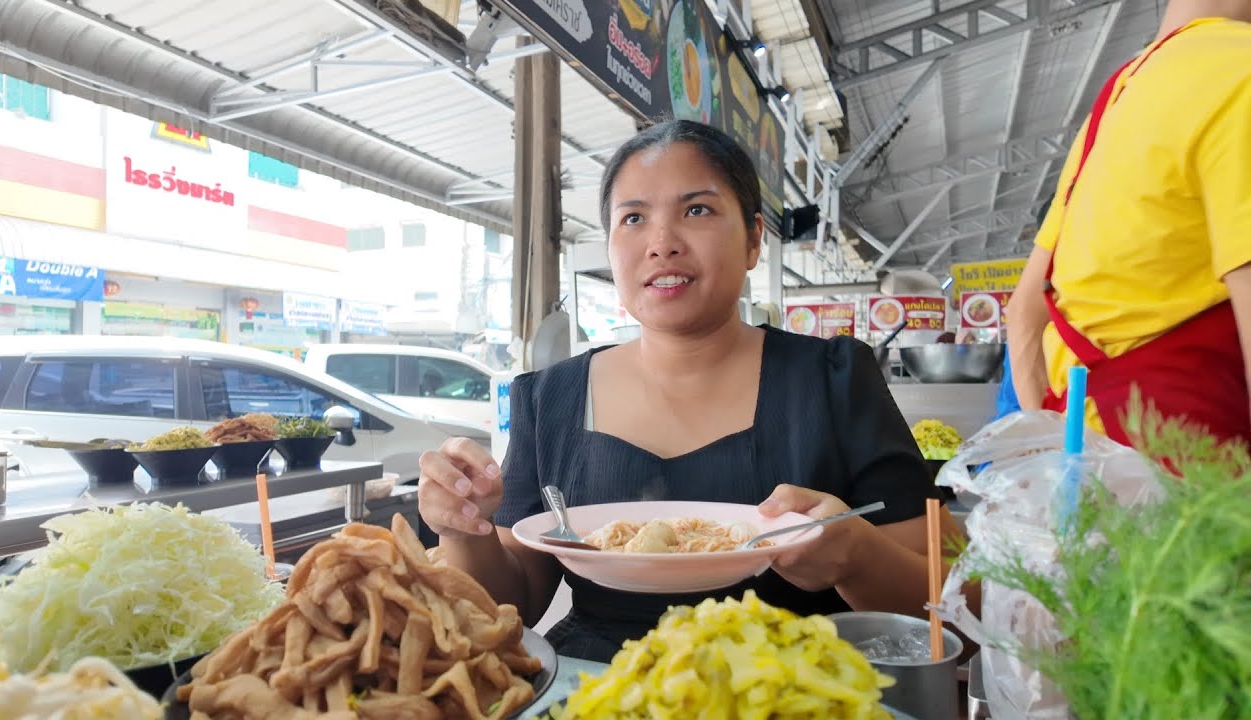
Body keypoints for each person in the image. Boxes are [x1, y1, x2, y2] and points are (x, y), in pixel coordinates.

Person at [417, 120, 958, 663]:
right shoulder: (549, 398)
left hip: (788, 690)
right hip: (597, 693)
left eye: (696, 210)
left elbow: (950, 598)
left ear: (752, 240)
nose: (662, 244)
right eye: (633, 218)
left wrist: (856, 556)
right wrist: (464, 526)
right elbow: (509, 606)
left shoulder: (834, 379)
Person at [1007, 1, 1251, 447]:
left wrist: (1050, 449)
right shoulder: (1241, 69)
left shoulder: (1120, 95)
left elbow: (1023, 313)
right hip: (1195, 485)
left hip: (1088, 472)